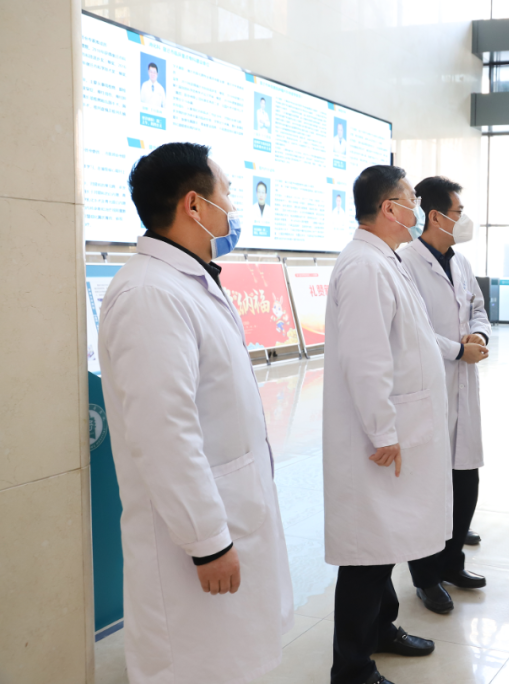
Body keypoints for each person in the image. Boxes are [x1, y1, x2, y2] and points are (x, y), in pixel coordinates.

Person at [98, 142, 293, 683]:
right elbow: (165, 433)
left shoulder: (188, 280)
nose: (232, 206)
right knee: (193, 666)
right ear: (193, 205)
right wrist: (208, 542)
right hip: (192, 539)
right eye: (226, 192)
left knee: (229, 660)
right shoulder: (148, 295)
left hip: (229, 511)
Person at [322, 165, 449, 684]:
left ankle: (381, 629)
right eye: (411, 199)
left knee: (386, 542)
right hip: (375, 437)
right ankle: (352, 668)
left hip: (397, 427)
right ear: (388, 207)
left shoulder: (385, 260)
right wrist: (383, 430)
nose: (417, 208)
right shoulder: (363, 267)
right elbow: (365, 357)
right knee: (367, 554)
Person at [399, 176, 492, 614]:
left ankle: (453, 564)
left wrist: (479, 335)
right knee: (428, 490)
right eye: (458, 212)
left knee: (465, 480)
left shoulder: (462, 262)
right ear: (435, 216)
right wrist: (458, 350)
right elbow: (411, 330)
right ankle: (426, 577)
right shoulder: (406, 263)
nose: (464, 219)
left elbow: (478, 309)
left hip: (463, 386)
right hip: (429, 387)